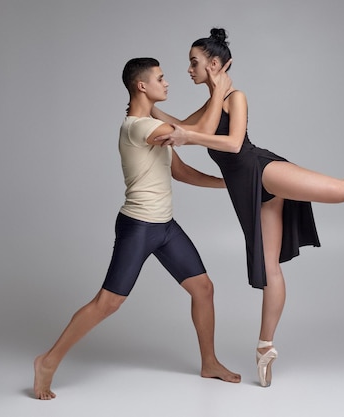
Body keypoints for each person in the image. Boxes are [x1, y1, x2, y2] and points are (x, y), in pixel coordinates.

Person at [151, 28, 344, 388]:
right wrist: (145, 106)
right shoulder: (211, 102)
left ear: (214, 64)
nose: (188, 69)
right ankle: (265, 346)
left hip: (262, 171)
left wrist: (188, 134)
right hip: (247, 189)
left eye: (194, 63)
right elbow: (183, 127)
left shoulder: (236, 96)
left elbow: (233, 144)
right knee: (270, 270)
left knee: (342, 191)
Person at [33, 57, 241, 400]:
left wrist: (229, 186)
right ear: (142, 86)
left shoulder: (151, 124)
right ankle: (48, 361)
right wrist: (218, 91)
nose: (168, 82)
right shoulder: (137, 128)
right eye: (161, 78)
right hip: (139, 227)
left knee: (203, 289)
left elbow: (182, 172)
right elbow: (196, 135)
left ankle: (209, 362)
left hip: (166, 228)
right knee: (107, 303)